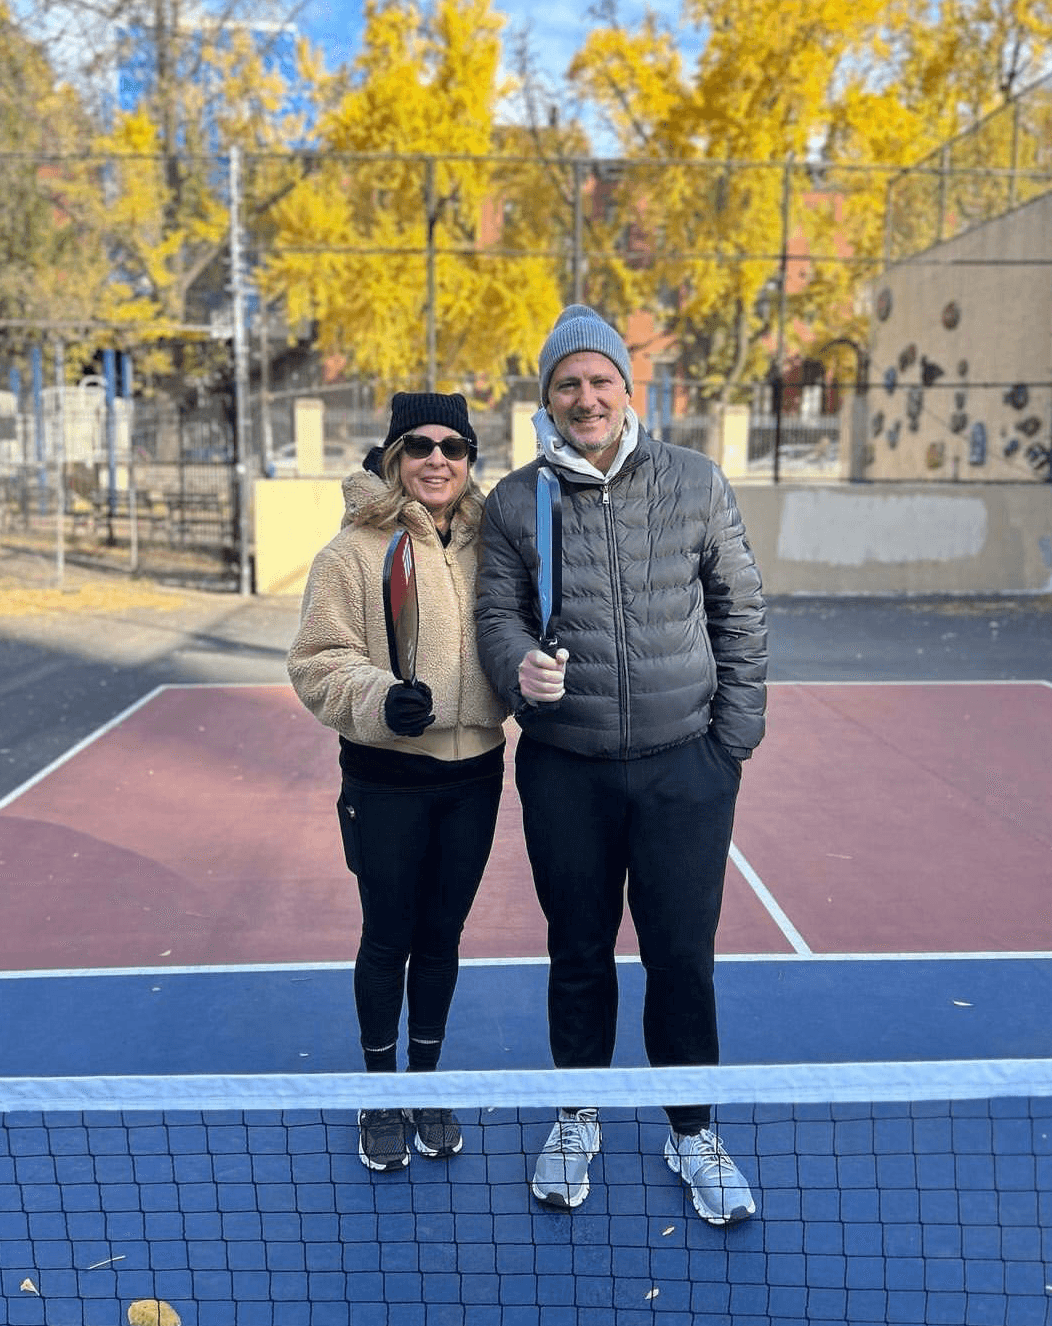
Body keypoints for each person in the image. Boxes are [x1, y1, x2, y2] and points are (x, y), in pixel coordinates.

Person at [475, 305, 767, 1226]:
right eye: (568, 383)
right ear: (548, 400)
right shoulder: (514, 502)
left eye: (601, 380)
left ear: (627, 391)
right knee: (578, 951)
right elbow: (495, 617)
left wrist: (732, 745)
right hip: (567, 771)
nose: (586, 395)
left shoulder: (695, 481)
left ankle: (692, 1130)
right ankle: (576, 1113)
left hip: (688, 769)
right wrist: (518, 672)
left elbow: (740, 611)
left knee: (682, 959)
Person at [288, 392, 507, 1172]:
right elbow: (316, 662)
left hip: (477, 776)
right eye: (419, 445)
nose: (437, 458)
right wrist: (380, 698)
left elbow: (518, 634)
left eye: (454, 444)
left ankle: (425, 1082)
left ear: (471, 459)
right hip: (384, 781)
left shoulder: (495, 546)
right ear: (393, 457)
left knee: (441, 937)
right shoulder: (350, 553)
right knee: (388, 936)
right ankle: (379, 1092)